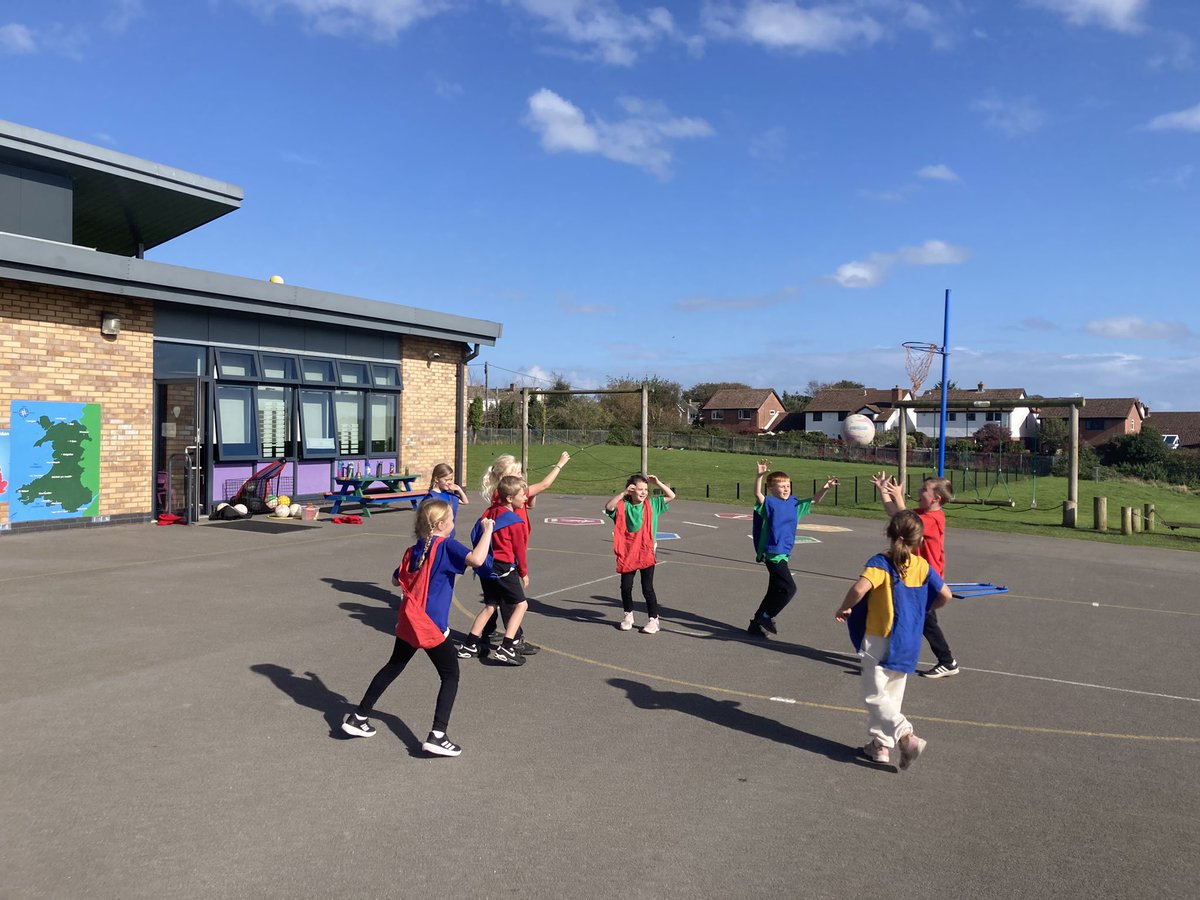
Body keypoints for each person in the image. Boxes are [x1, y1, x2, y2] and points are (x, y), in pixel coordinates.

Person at [341, 499, 494, 757]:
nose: (454, 523)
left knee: (393, 666)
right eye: (452, 520)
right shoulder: (446, 546)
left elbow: (394, 579)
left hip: (410, 620)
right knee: (450, 675)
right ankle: (438, 734)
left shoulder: (413, 550)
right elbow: (478, 560)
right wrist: (488, 530)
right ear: (442, 524)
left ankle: (358, 717)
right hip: (431, 625)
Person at [835, 510, 952, 769]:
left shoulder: (880, 563)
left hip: (881, 637)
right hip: (908, 640)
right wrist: (923, 609)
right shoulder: (922, 566)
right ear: (919, 540)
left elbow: (859, 588)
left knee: (874, 696)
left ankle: (905, 734)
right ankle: (880, 746)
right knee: (892, 695)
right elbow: (946, 594)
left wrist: (844, 607)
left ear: (889, 534)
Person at [475, 450, 571, 654]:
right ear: (505, 478)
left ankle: (488, 631)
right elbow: (545, 485)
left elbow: (532, 503)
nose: (521, 475)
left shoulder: (509, 493)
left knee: (496, 597)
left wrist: (529, 492)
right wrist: (560, 464)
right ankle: (514, 640)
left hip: (507, 549)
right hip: (509, 552)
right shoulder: (509, 495)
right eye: (517, 472)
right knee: (513, 599)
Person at [872, 471, 960, 678]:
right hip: (916, 574)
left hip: (927, 576)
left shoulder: (935, 518)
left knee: (919, 619)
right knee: (923, 620)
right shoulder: (922, 512)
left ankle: (946, 661)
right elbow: (895, 514)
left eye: (924, 490)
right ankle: (944, 660)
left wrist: (899, 496)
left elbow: (906, 519)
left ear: (937, 498)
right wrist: (885, 492)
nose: (919, 493)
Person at [748, 460, 837, 638]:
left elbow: (815, 499)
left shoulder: (795, 504)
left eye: (787, 485)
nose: (785, 489)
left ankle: (756, 624)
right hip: (772, 553)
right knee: (789, 588)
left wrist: (825, 487)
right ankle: (766, 616)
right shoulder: (770, 504)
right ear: (772, 489)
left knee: (774, 590)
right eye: (781, 486)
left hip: (784, 553)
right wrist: (759, 476)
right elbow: (758, 494)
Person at [455, 475, 533, 666]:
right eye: (523, 495)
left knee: (491, 606)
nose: (525, 499)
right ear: (509, 498)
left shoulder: (489, 512)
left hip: (486, 566)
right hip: (504, 567)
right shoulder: (514, 522)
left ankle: (470, 645)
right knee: (521, 605)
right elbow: (519, 550)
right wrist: (523, 572)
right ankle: (507, 646)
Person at [605, 473, 676, 634]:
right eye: (640, 489)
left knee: (647, 587)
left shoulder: (652, 505)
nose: (644, 492)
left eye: (646, 489)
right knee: (626, 586)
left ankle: (653, 619)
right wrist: (623, 494)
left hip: (646, 551)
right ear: (632, 490)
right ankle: (628, 616)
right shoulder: (624, 507)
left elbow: (671, 495)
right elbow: (609, 507)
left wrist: (658, 482)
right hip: (629, 552)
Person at [427, 462, 468, 535]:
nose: (449, 482)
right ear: (436, 479)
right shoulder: (432, 497)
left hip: (449, 532)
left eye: (451, 479)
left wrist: (458, 489)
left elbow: (465, 501)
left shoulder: (449, 495)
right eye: (446, 480)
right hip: (437, 534)